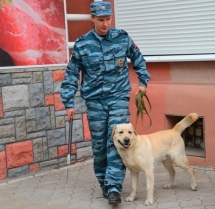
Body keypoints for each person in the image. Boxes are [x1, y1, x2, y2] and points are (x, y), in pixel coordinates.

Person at [60, 1, 150, 205]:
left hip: (118, 97)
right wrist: (68, 103)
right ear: (92, 19)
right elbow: (72, 74)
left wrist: (143, 81)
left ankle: (114, 187)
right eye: (100, 20)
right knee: (100, 145)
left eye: (108, 19)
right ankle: (103, 183)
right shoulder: (82, 44)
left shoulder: (122, 38)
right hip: (95, 101)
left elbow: (138, 59)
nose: (105, 24)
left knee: (118, 142)